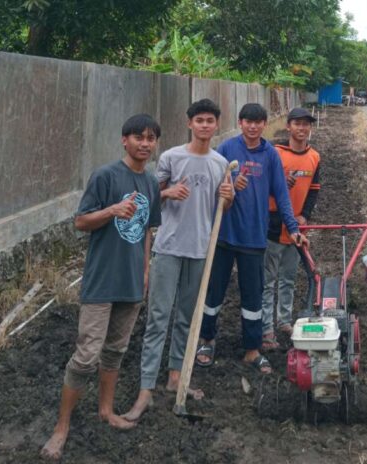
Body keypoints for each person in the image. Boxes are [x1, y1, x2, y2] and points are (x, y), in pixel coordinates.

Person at [41, 114, 162, 459]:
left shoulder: (152, 184)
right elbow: (81, 222)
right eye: (138, 137)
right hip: (101, 281)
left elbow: (149, 230)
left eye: (151, 138)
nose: (145, 143)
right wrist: (111, 210)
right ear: (124, 140)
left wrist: (145, 270)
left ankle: (106, 411)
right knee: (85, 357)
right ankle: (61, 426)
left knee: (115, 352)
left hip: (131, 283)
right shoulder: (106, 176)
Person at [122, 99, 235, 422]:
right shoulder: (171, 157)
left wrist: (228, 197)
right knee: (158, 317)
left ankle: (175, 376)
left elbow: (222, 207)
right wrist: (168, 193)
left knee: (187, 318)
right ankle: (146, 388)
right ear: (189, 123)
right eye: (199, 120)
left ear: (215, 125)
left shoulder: (220, 163)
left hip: (201, 250)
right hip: (169, 247)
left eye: (210, 121)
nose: (204, 125)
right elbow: (149, 197)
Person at [195, 103, 307, 374]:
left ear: (265, 124)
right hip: (224, 234)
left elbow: (281, 194)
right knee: (213, 293)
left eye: (258, 122)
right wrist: (232, 184)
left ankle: (252, 349)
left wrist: (292, 227)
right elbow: (212, 187)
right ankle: (207, 340)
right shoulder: (226, 150)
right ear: (240, 122)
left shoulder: (270, 156)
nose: (253, 127)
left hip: (254, 238)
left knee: (253, 296)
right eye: (248, 122)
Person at [261, 108, 320, 350]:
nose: (302, 128)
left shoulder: (314, 157)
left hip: (297, 230)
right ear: (289, 127)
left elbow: (314, 190)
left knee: (288, 278)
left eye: (306, 124)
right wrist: (278, 184)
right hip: (273, 226)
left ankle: (284, 320)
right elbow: (260, 185)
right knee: (267, 280)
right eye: (297, 124)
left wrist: (304, 215)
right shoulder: (275, 153)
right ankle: (266, 326)